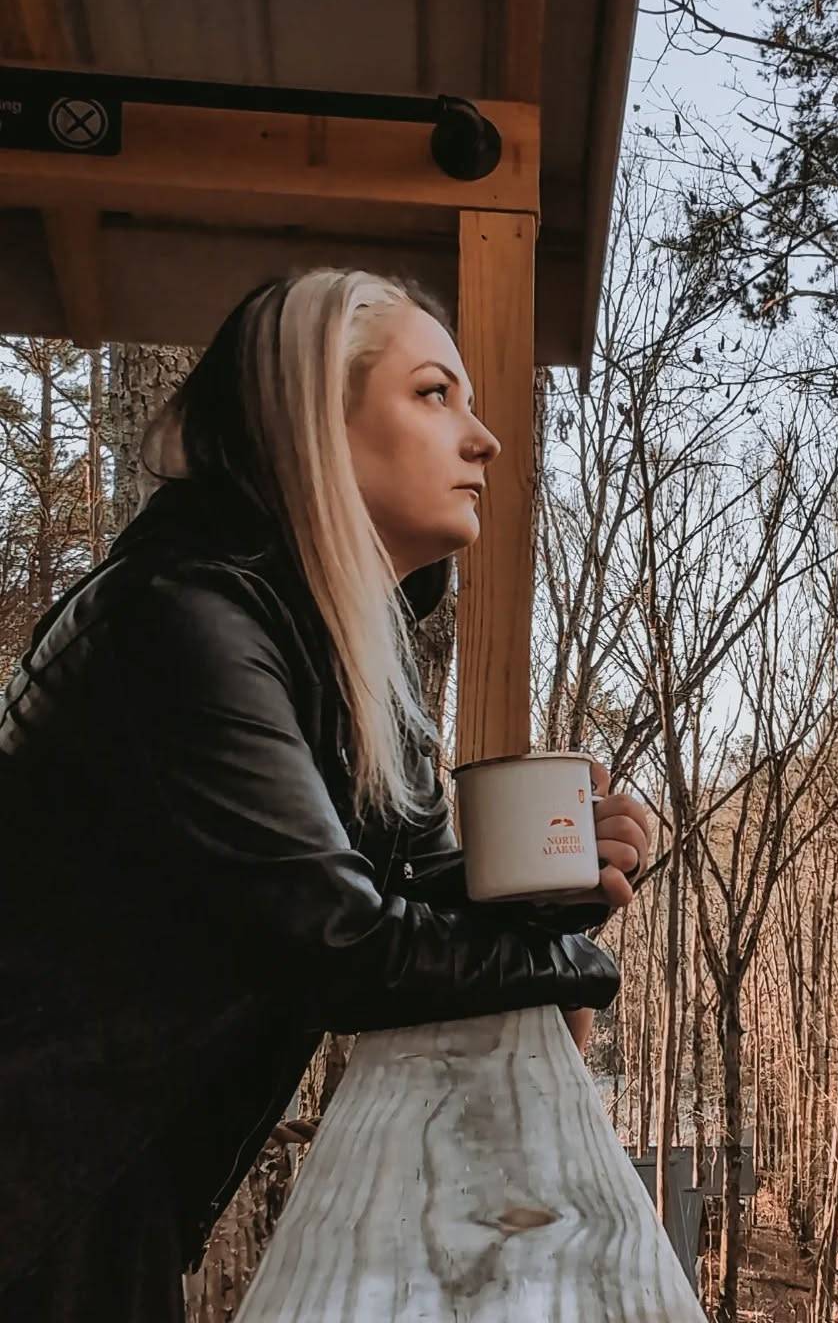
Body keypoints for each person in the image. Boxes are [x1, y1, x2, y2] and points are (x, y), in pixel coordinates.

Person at [0, 269, 651, 1320]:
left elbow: (415, 880)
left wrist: (569, 878)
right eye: (435, 394)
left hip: (98, 1178)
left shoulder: (334, 637)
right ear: (314, 423)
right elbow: (341, 943)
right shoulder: (188, 618)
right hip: (38, 1186)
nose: (482, 439)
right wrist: (571, 961)